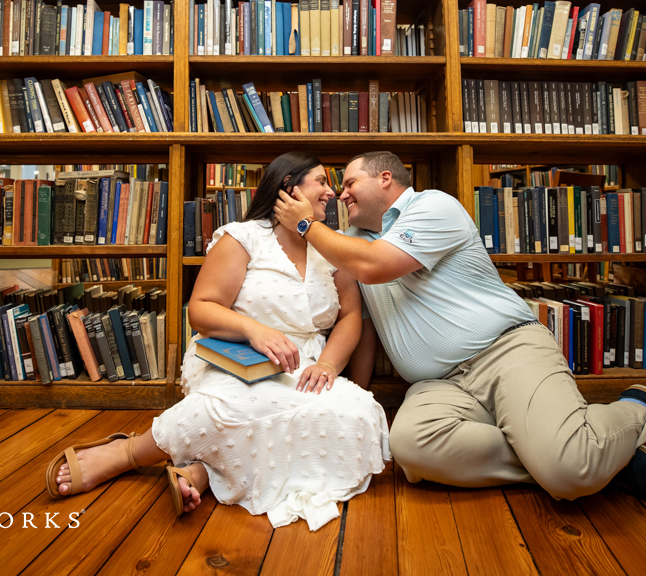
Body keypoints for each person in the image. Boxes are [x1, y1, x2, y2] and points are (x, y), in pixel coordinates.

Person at [272, 151, 646, 500]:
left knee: (569, 472)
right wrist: (359, 395)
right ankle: (585, 452)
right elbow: (365, 323)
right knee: (412, 449)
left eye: (350, 182)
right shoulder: (349, 241)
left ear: (386, 178)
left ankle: (643, 415)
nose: (342, 193)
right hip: (439, 384)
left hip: (504, 352)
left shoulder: (431, 207)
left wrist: (307, 226)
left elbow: (376, 266)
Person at [48, 152, 390, 530]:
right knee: (235, 406)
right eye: (321, 182)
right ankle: (129, 451)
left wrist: (327, 364)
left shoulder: (332, 245)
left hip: (306, 364)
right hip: (238, 357)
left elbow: (349, 317)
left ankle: (205, 472)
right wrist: (254, 330)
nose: (331, 193)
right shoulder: (242, 237)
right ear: (289, 189)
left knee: (358, 415)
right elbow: (202, 309)